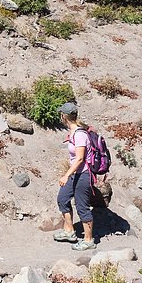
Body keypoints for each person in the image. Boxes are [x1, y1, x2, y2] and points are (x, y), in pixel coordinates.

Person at [54, 102, 95, 251]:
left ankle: (88, 240)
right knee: (62, 199)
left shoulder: (80, 134)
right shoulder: (73, 133)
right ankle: (70, 231)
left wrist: (66, 175)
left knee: (82, 207)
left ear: (64, 116)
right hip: (75, 174)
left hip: (83, 175)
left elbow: (79, 159)